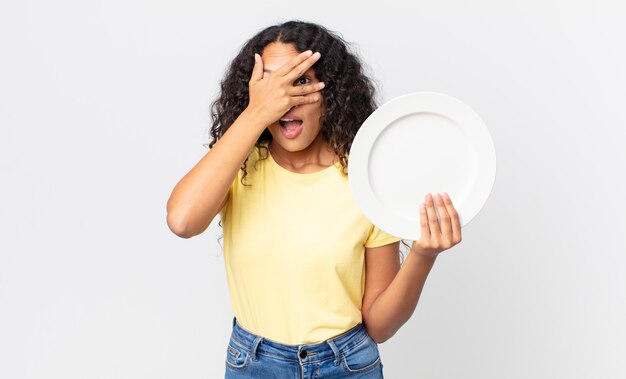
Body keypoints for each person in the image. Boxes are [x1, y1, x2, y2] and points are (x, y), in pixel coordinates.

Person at [166, 20, 462, 378]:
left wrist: (423, 255)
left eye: (300, 81)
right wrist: (258, 112)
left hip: (345, 364)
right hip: (254, 365)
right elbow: (182, 221)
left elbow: (380, 325)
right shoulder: (238, 166)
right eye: (270, 84)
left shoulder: (365, 179)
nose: (284, 97)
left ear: (330, 91)